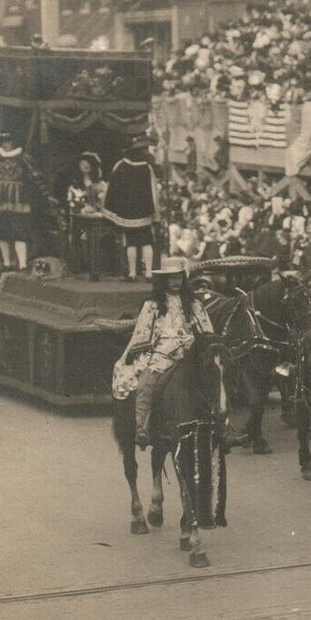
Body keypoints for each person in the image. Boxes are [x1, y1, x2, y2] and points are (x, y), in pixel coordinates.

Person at [113, 257, 213, 453]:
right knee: (145, 383)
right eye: (171, 278)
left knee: (215, 376)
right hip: (162, 352)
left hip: (191, 350)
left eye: (179, 278)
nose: (176, 282)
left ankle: (221, 424)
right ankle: (142, 428)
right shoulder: (152, 305)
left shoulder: (193, 303)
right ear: (164, 280)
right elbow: (143, 331)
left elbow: (206, 329)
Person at [0, 131, 47, 270]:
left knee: (20, 231)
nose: (6, 144)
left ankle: (22, 264)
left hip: (18, 198)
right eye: (3, 141)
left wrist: (45, 192)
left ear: (14, 142)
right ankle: (7, 263)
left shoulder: (23, 157)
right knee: (2, 231)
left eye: (9, 141)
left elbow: (35, 175)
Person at [105, 135, 160, 279]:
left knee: (131, 243)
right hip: (145, 214)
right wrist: (156, 214)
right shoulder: (147, 168)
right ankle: (149, 273)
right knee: (147, 242)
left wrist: (115, 211)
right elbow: (154, 191)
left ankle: (132, 273)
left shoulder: (120, 166)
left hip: (127, 215)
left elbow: (112, 190)